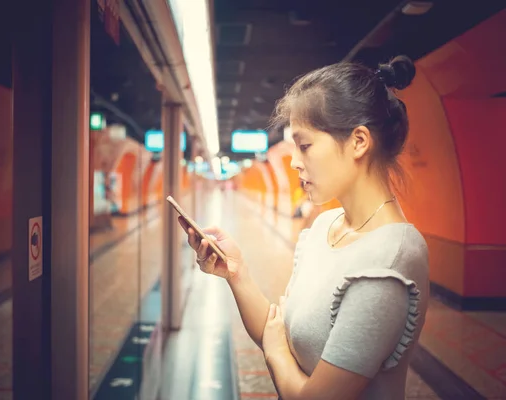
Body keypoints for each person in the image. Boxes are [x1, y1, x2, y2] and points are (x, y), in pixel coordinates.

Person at [177, 55, 429, 400]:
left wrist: (275, 352)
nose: (294, 161)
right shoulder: (325, 226)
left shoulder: (388, 261)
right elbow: (278, 326)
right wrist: (236, 272)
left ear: (359, 141)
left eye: (305, 145)